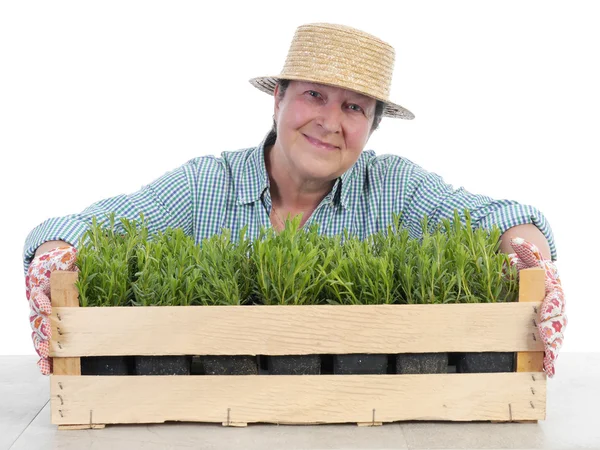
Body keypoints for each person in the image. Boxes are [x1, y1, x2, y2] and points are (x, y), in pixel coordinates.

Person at [23, 23, 566, 377]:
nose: (330, 122)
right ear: (277, 100)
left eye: (354, 108)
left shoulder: (396, 188)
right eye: (313, 95)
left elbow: (499, 217)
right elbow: (99, 223)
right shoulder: (205, 184)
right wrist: (52, 257)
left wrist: (532, 260)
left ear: (372, 128)